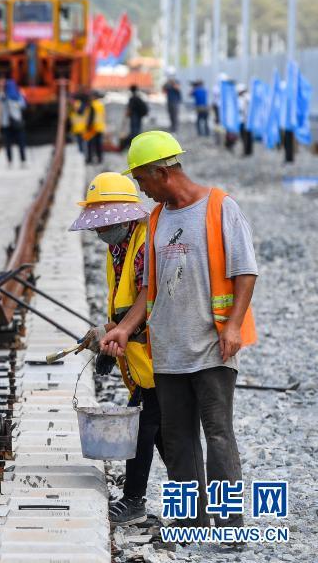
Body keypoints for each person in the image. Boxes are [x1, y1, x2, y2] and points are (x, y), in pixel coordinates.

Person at [101, 131, 258, 528]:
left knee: (218, 436)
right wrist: (125, 328)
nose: (141, 189)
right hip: (167, 351)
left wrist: (234, 326)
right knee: (178, 439)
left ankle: (228, 524)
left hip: (211, 346)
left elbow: (245, 271)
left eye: (142, 179)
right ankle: (190, 520)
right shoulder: (155, 219)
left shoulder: (221, 207)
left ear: (161, 172)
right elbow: (149, 290)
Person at [69, 172, 161, 526]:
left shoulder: (145, 242)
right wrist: (108, 332)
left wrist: (115, 331)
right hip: (141, 359)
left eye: (104, 223)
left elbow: (147, 299)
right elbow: (125, 306)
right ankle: (198, 505)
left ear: (125, 214)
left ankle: (134, 501)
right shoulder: (119, 247)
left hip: (159, 357)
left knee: (141, 425)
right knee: (165, 436)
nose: (99, 231)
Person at [0, 80, 27, 165]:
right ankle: (23, 161)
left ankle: (9, 161)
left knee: (8, 143)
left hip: (6, 124)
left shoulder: (3, 96)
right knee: (21, 142)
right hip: (17, 123)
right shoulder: (18, 96)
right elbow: (24, 105)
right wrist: (22, 95)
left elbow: (1, 99)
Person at [83, 91, 106, 164]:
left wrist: (88, 126)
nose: (90, 97)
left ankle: (89, 159)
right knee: (98, 144)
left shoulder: (92, 105)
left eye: (91, 96)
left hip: (93, 128)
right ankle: (100, 159)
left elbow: (91, 117)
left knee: (90, 144)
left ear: (94, 97)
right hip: (100, 127)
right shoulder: (100, 104)